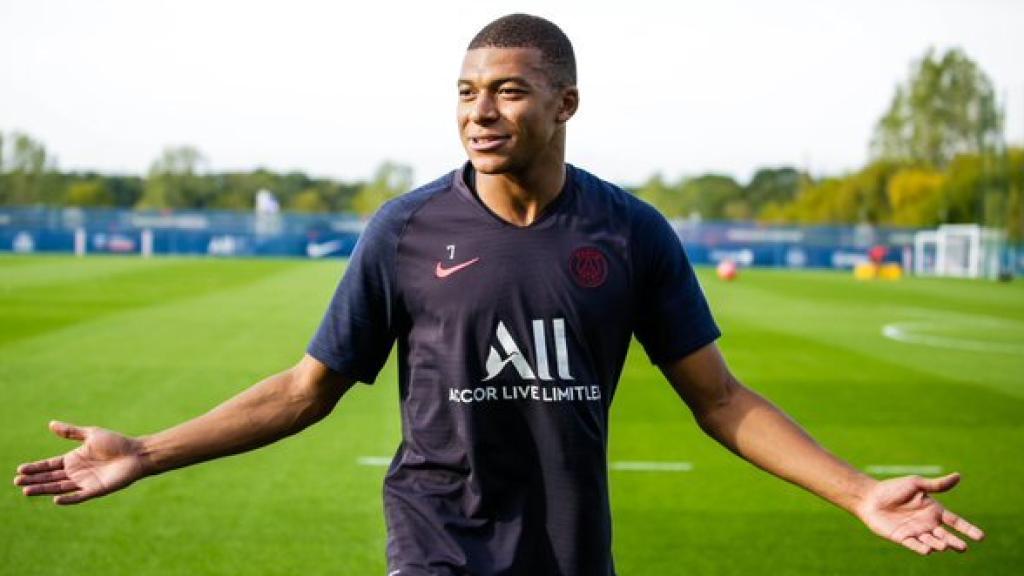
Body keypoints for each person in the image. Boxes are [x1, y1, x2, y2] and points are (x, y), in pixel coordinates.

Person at [13, 13, 984, 576]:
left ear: (565, 104)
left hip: (570, 552)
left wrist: (858, 493)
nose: (481, 109)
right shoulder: (404, 230)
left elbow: (720, 399)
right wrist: (145, 451)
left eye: (510, 89)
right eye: (466, 90)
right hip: (438, 545)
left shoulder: (630, 233)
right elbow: (306, 389)